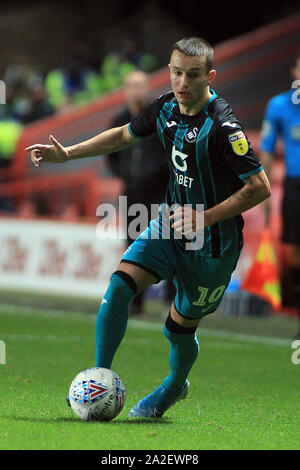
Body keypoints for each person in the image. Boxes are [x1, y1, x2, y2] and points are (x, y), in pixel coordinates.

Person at [26, 37, 270, 418]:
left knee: (177, 330)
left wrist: (204, 217)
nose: (182, 82)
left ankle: (173, 387)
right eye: (176, 72)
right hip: (169, 224)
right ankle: (98, 378)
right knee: (119, 287)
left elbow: (260, 187)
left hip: (214, 245)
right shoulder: (165, 108)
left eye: (192, 75)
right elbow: (125, 134)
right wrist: (68, 153)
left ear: (210, 76)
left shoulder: (224, 127)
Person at [107, 69, 174, 316]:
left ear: (148, 88)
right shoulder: (118, 119)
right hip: (133, 193)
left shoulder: (161, 117)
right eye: (131, 86)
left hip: (161, 193)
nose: (136, 91)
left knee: (168, 245)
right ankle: (136, 303)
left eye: (141, 86)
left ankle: (173, 301)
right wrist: (125, 173)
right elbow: (111, 153)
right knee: (134, 247)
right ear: (125, 90)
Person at [259, 52, 300, 337]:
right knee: (294, 250)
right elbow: (267, 150)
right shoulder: (279, 105)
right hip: (295, 185)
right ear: (294, 72)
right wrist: (261, 190)